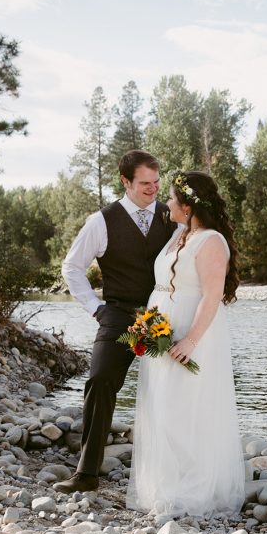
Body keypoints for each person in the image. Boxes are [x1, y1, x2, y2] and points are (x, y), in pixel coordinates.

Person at [55, 150, 176, 494]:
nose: (153, 189)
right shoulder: (101, 221)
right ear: (125, 181)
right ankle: (87, 473)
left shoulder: (172, 216)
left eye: (157, 182)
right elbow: (72, 267)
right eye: (145, 183)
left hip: (163, 314)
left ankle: (175, 470)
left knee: (177, 385)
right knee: (100, 381)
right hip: (119, 314)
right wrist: (96, 308)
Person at [126, 170, 245, 516]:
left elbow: (211, 295)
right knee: (162, 403)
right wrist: (147, 325)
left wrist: (191, 341)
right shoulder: (180, 233)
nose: (167, 203)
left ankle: (194, 487)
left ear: (189, 206)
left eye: (172, 199)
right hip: (162, 326)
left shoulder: (211, 241)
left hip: (193, 331)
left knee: (187, 405)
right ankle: (165, 482)